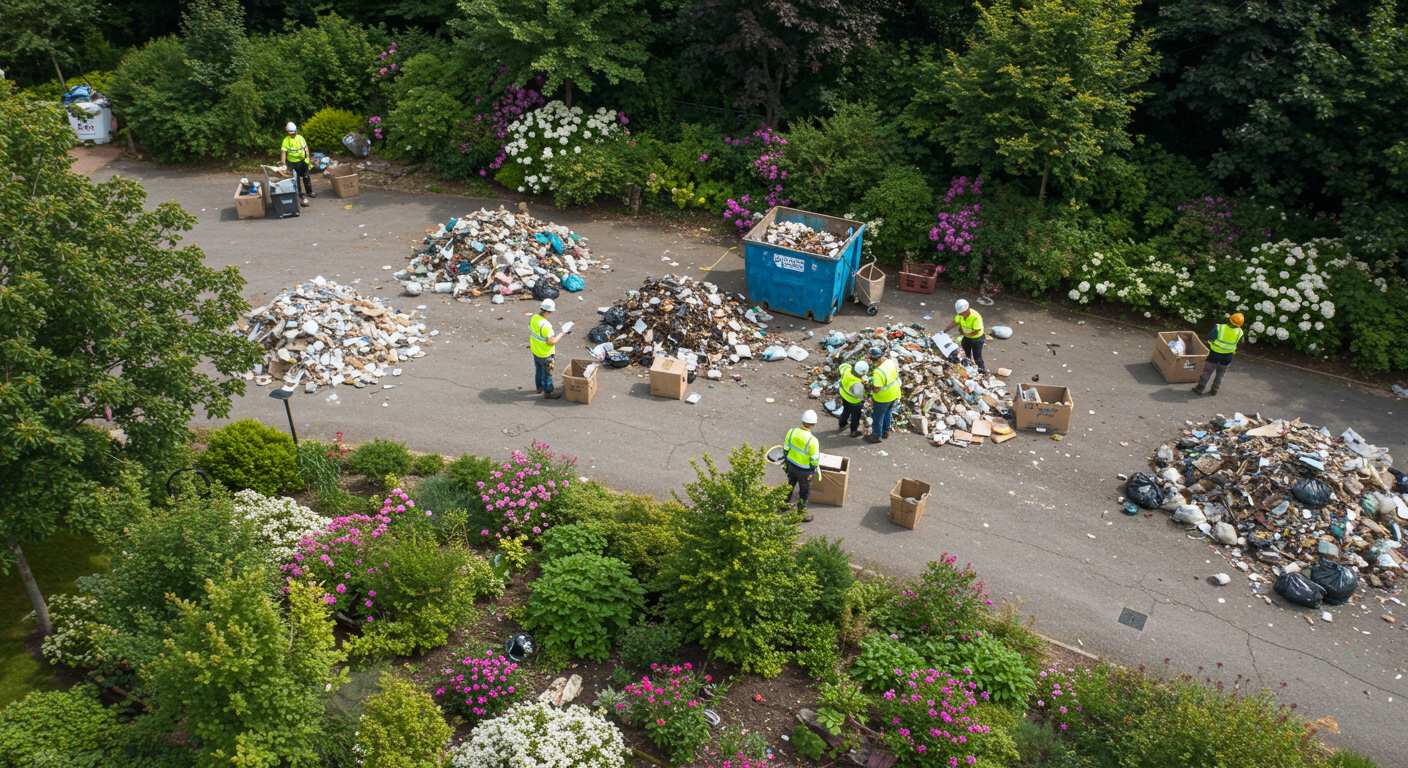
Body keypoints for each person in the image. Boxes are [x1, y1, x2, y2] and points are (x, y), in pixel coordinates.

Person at [1193, 312, 1244, 396]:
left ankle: (1200, 388)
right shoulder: (1240, 332)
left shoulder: (1220, 327)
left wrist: (1211, 342)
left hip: (1214, 355)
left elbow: (1210, 337)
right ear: (1240, 325)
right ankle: (1214, 390)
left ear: (1229, 319)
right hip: (1227, 357)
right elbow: (1240, 343)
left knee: (1207, 372)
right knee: (1220, 375)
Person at [783, 410, 821, 522]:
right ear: (813, 424)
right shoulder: (813, 441)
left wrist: (787, 463)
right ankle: (801, 513)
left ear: (802, 420)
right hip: (804, 471)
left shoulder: (791, 431)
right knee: (804, 491)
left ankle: (783, 505)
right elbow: (814, 460)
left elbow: (785, 448)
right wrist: (813, 470)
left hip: (791, 465)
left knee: (789, 485)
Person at [529, 298, 570, 399]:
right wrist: (562, 333)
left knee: (538, 370)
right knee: (547, 374)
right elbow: (551, 341)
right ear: (547, 311)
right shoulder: (546, 326)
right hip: (546, 354)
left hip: (535, 351)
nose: (550, 314)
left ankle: (539, 388)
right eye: (550, 312)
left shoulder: (534, 318)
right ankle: (548, 393)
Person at [866, 346, 902, 443]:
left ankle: (876, 436)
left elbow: (877, 389)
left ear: (873, 359)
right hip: (894, 393)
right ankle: (885, 432)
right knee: (887, 413)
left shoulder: (878, 372)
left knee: (877, 417)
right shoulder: (890, 362)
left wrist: (869, 386)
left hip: (883, 398)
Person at [943, 298, 986, 372]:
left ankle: (982, 371)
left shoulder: (976, 317)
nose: (960, 315)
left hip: (977, 339)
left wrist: (964, 333)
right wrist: (944, 331)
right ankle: (968, 365)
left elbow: (976, 332)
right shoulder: (961, 315)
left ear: (967, 310)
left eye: (962, 313)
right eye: (959, 313)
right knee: (965, 352)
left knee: (977, 357)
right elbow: (954, 322)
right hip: (967, 337)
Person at [280, 121, 314, 207]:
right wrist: (283, 163)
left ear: (296, 131)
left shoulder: (300, 138)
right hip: (292, 163)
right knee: (296, 179)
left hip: (302, 161)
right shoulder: (286, 140)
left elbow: (306, 148)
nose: (292, 134)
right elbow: (283, 152)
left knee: (306, 177)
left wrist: (308, 159)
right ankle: (300, 194)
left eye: (293, 133)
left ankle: (310, 192)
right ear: (287, 132)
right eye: (290, 133)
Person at [836, 360, 868, 437]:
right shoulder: (857, 384)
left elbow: (841, 367)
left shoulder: (847, 370)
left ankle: (842, 423)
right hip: (854, 402)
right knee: (855, 416)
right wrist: (865, 387)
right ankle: (854, 431)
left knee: (846, 410)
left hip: (843, 395)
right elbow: (860, 396)